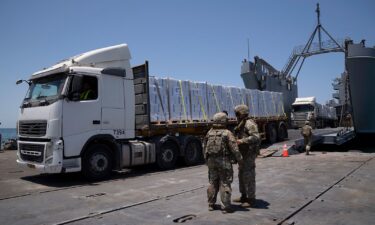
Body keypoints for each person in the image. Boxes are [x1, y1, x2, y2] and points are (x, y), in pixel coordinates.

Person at [203, 112, 243, 214]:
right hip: (224, 161)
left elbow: (204, 147)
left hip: (211, 161)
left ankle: (211, 204)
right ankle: (225, 207)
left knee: (212, 182)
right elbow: (235, 148)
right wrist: (240, 160)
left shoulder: (209, 132)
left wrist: (206, 160)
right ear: (224, 121)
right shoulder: (227, 133)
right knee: (225, 183)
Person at [233, 104, 260, 208]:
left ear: (241, 113)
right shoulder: (241, 123)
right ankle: (244, 196)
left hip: (249, 153)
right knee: (241, 175)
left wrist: (242, 141)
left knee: (249, 176)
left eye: (237, 113)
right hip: (243, 153)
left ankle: (251, 198)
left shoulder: (249, 123)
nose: (236, 115)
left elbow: (256, 137)